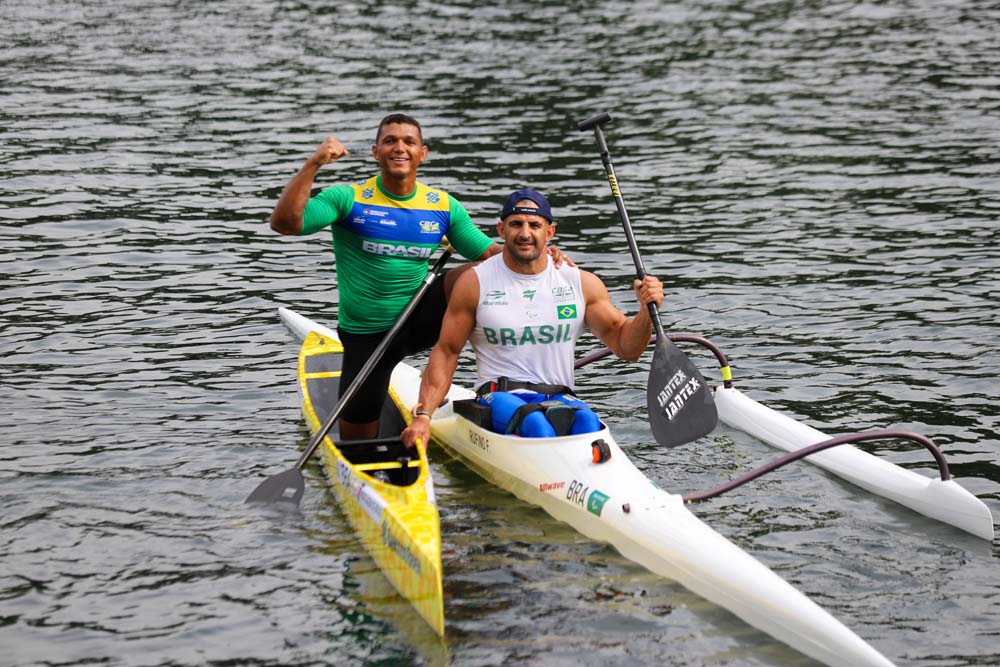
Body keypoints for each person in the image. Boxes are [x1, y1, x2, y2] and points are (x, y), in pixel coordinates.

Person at [268, 114, 567, 440]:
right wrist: (313, 164)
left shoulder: (441, 206)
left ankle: (506, 376)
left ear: (422, 153)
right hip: (368, 335)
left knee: (477, 274)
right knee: (358, 438)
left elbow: (491, 255)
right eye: (390, 141)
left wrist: (543, 253)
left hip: (419, 318)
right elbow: (286, 224)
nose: (400, 148)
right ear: (375, 151)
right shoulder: (347, 199)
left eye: (408, 142)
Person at [401, 188, 664, 447]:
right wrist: (423, 416)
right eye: (516, 224)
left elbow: (627, 347)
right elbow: (447, 352)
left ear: (549, 232)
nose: (525, 234)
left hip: (559, 397)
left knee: (588, 424)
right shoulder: (476, 282)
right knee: (536, 426)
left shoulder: (580, 283)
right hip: (498, 396)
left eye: (534, 225)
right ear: (501, 230)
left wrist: (645, 312)